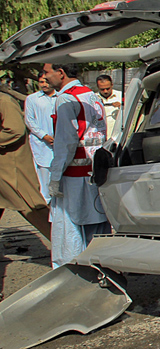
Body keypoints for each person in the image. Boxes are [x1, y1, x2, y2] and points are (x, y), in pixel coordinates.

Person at [42, 63, 111, 268]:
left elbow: (65, 142)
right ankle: (103, 272)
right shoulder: (91, 95)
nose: (45, 78)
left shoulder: (66, 99)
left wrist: (55, 177)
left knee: (69, 230)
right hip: (95, 171)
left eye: (47, 72)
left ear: (60, 73)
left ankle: (71, 274)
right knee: (97, 228)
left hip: (73, 175)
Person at [0, 88, 51, 240]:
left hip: (12, 168)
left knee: (33, 208)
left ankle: (68, 249)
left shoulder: (4, 101)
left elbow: (15, 130)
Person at [24, 71, 57, 203]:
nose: (44, 84)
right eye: (41, 82)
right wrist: (44, 136)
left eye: (47, 81)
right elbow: (30, 120)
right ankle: (47, 206)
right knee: (44, 176)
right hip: (42, 143)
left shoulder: (62, 97)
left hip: (60, 141)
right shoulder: (32, 99)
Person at [96, 74, 122, 139]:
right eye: (102, 89)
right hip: (100, 136)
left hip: (117, 136)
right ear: (97, 87)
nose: (105, 91)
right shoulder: (93, 98)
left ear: (112, 85)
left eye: (108, 88)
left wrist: (122, 107)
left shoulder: (121, 96)